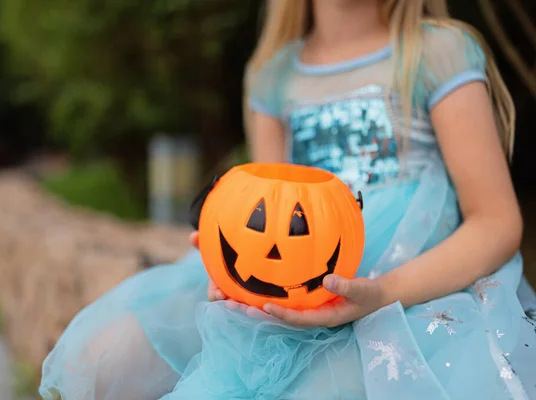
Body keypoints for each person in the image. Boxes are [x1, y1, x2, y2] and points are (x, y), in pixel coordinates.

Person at [39, 0, 536, 399]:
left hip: (414, 287)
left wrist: (381, 292)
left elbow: (495, 221)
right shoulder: (273, 75)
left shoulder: (437, 51)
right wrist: (226, 255)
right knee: (114, 355)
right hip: (299, 277)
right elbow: (266, 206)